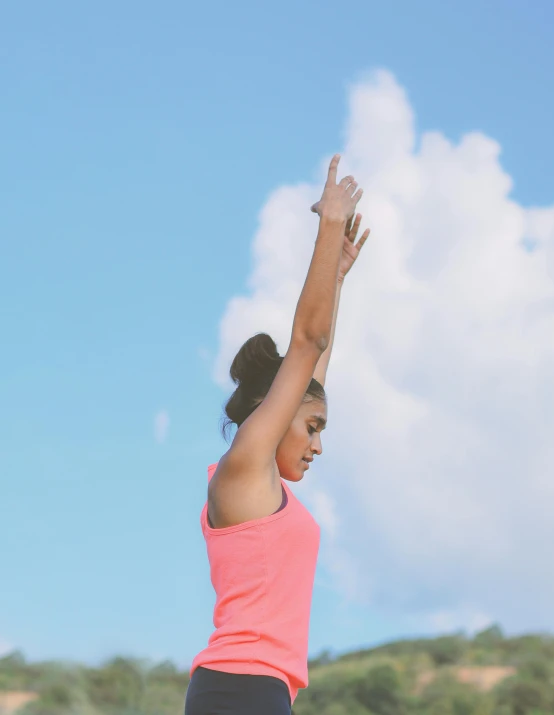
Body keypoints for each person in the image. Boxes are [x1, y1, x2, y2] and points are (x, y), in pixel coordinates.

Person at [185, 154, 370, 714]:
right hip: (240, 687)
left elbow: (314, 360)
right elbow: (307, 342)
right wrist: (330, 225)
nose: (318, 445)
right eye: (312, 428)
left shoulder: (265, 488)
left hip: (258, 690)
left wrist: (334, 279)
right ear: (273, 407)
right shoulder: (243, 469)